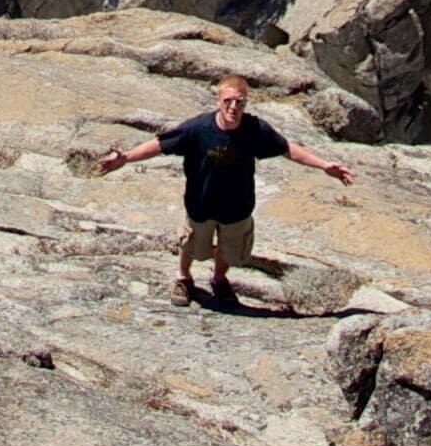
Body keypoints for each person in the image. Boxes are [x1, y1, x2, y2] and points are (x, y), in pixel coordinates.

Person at [94, 74, 354, 305]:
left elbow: (287, 149)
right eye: (228, 100)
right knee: (192, 244)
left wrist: (323, 165)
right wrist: (126, 157)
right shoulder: (197, 129)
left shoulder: (255, 130)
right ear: (218, 100)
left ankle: (219, 280)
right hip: (201, 203)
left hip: (237, 207)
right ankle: (183, 278)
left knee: (230, 249)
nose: (233, 107)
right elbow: (160, 144)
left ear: (246, 103)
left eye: (239, 102)